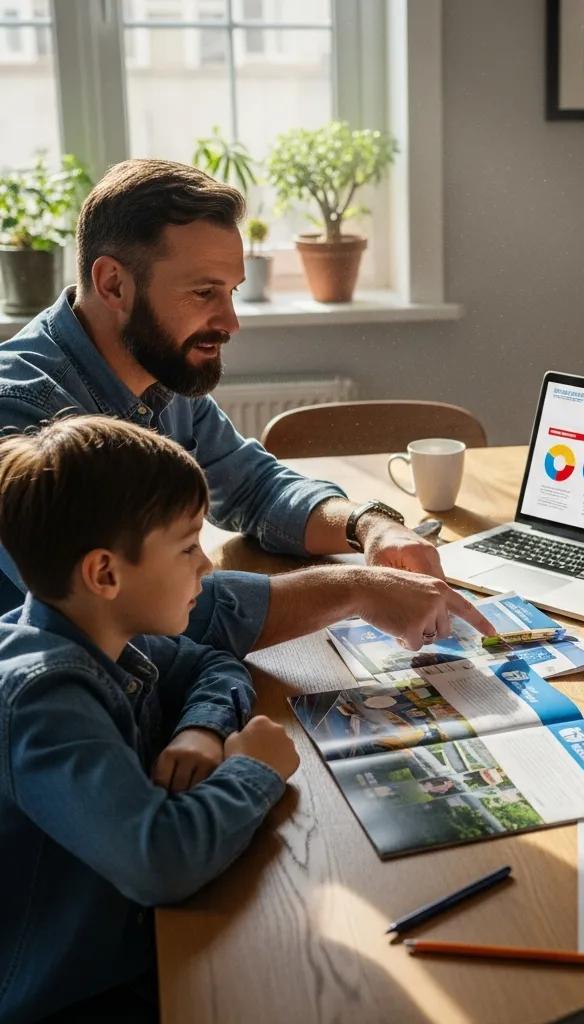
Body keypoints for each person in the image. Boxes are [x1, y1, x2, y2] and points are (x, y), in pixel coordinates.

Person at [0, 159, 492, 657]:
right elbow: (132, 612)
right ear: (113, 284)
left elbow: (253, 487)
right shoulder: (19, 417)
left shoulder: (161, 373)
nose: (231, 322)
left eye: (231, 291)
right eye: (203, 292)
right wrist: (355, 591)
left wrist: (368, 525)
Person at [0, 416, 301, 1022]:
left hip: (132, 949)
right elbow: (160, 862)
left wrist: (203, 729)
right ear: (105, 573)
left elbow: (213, 665)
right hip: (64, 997)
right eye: (189, 546)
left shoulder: (103, 634)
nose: (206, 568)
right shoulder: (43, 698)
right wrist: (253, 772)